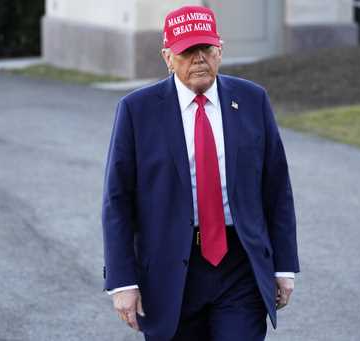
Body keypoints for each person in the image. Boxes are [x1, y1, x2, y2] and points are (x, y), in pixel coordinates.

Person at [102, 5, 299, 341]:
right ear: (167, 56)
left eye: (206, 48)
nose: (199, 59)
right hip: (170, 267)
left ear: (219, 49)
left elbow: (276, 188)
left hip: (239, 264)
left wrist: (283, 266)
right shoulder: (137, 111)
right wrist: (122, 281)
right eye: (187, 51)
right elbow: (117, 201)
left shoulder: (252, 100)